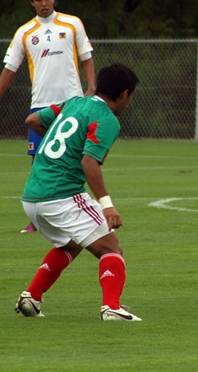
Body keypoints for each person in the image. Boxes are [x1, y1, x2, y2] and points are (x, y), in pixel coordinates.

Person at [15, 63, 141, 322]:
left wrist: (63, 149)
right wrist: (107, 205)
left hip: (32, 196)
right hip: (61, 195)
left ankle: (32, 296)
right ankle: (111, 308)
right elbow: (89, 162)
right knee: (110, 248)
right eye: (131, 97)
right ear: (125, 94)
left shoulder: (74, 103)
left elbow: (33, 120)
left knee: (70, 244)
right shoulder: (107, 119)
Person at [0, 0, 95, 234]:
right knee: (38, 160)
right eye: (38, 0)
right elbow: (10, 69)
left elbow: (86, 57)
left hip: (72, 103)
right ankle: (37, 218)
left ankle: (77, 208)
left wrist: (91, 88)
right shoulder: (25, 32)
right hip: (40, 105)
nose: (44, 3)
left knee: (75, 157)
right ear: (31, 3)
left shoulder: (72, 24)